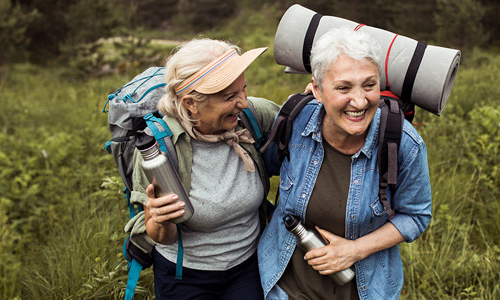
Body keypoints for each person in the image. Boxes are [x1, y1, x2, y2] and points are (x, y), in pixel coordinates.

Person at [258, 27, 432, 299]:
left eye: (369, 84)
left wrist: (355, 250)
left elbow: (416, 215)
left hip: (366, 291)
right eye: (343, 88)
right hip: (285, 289)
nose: (360, 101)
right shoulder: (295, 121)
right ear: (317, 89)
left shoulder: (403, 144)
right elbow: (259, 172)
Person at [131, 38, 280, 300]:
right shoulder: (157, 148)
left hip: (248, 266)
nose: (243, 102)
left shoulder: (251, 116)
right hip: (185, 276)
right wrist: (159, 219)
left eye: (243, 90)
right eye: (229, 96)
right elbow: (161, 236)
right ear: (191, 103)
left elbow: (307, 121)